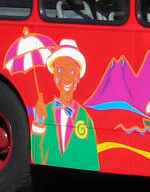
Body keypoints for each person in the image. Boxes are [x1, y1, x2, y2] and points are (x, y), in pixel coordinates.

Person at [30, 39, 100, 170]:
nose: (66, 77)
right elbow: (37, 157)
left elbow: (93, 163)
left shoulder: (85, 118)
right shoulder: (45, 112)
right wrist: (38, 125)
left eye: (72, 72)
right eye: (60, 70)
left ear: (78, 77)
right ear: (54, 75)